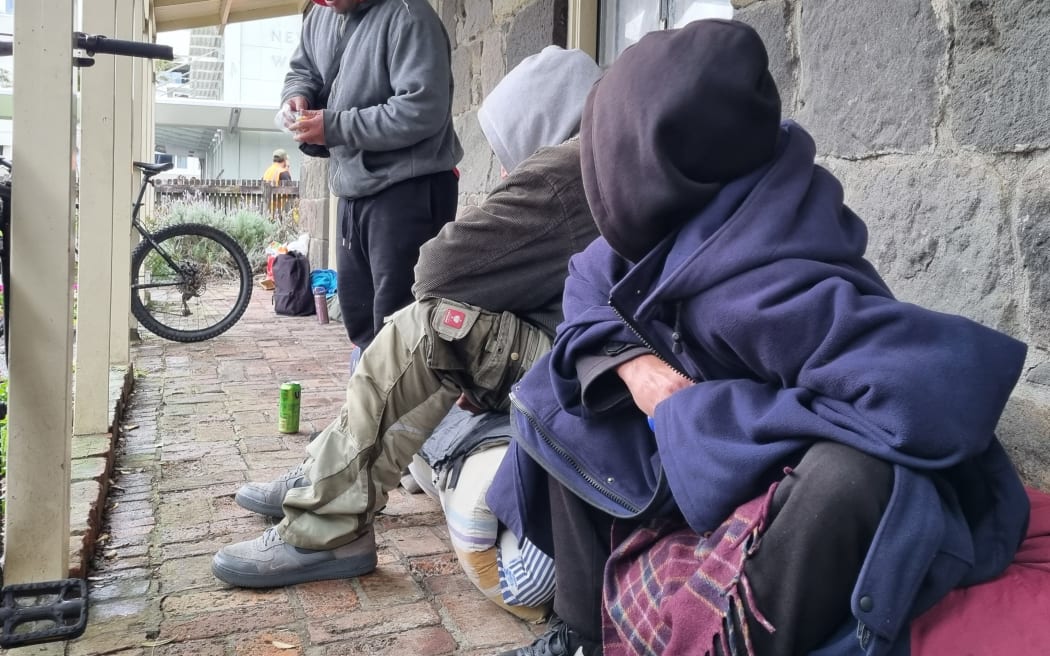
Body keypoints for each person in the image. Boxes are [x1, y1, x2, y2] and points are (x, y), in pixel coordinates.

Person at [488, 19, 1030, 656]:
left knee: (850, 480)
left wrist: (696, 415)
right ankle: (582, 638)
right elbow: (586, 283)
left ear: (656, 167)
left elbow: (940, 392)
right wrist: (641, 371)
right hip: (709, 465)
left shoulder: (780, 280)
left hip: (779, 480)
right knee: (562, 388)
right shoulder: (666, 232)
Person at [211, 46, 603, 588]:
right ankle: (323, 480)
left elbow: (436, 270)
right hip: (593, 358)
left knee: (433, 328)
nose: (510, 167)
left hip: (591, 370)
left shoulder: (566, 169)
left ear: (541, 120)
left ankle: (327, 527)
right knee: (429, 331)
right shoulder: (606, 162)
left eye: (508, 146)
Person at [281, 0, 463, 353]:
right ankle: (370, 402)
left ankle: (395, 406)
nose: (325, 2)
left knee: (403, 331)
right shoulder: (320, 14)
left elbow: (422, 110)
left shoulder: (410, 17)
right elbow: (302, 70)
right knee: (361, 324)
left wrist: (334, 127)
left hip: (408, 192)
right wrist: (296, 97)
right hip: (352, 190)